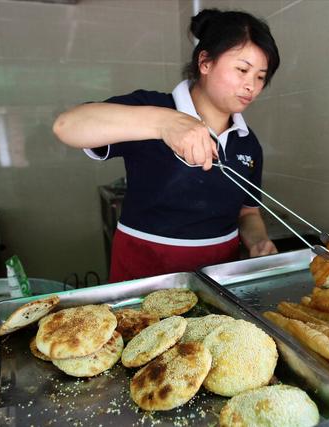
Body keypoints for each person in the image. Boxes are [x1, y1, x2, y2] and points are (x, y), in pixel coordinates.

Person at [53, 9, 280, 283]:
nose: (251, 86)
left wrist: (258, 241)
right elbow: (67, 126)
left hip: (219, 275)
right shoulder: (154, 108)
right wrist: (164, 123)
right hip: (144, 268)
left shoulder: (248, 141)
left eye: (260, 77)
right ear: (205, 62)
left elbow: (248, 211)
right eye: (242, 70)